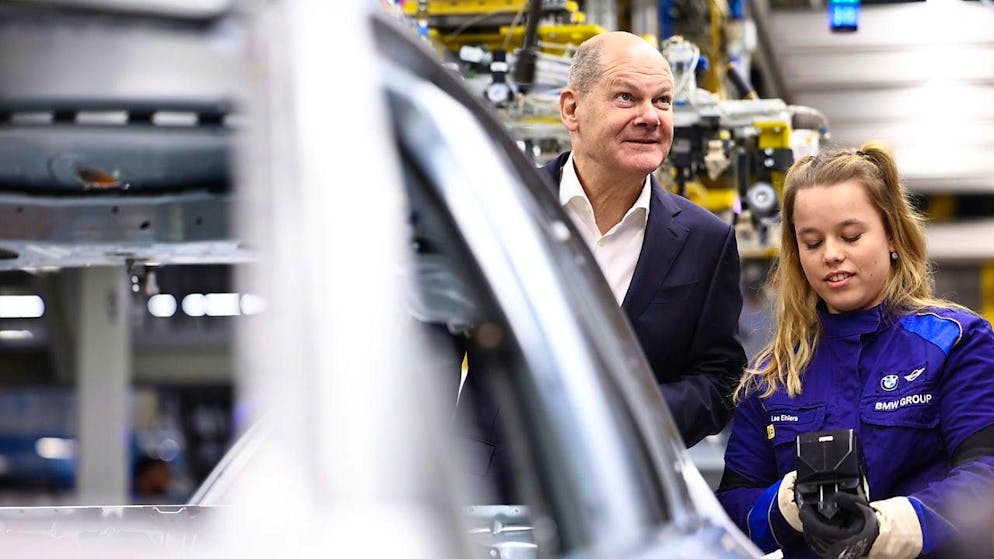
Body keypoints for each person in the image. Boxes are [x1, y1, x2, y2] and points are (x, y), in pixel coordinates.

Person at [716, 143, 994, 558]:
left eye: (850, 236)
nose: (831, 254)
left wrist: (894, 526)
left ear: (893, 237)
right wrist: (785, 505)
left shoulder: (955, 342)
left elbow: (986, 477)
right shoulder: (774, 376)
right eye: (811, 243)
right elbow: (727, 518)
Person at [541, 31, 746, 447]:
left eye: (663, 101)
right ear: (571, 109)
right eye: (626, 98)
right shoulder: (503, 205)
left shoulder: (706, 241)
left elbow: (720, 378)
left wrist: (636, 416)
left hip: (632, 492)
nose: (651, 116)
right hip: (493, 485)